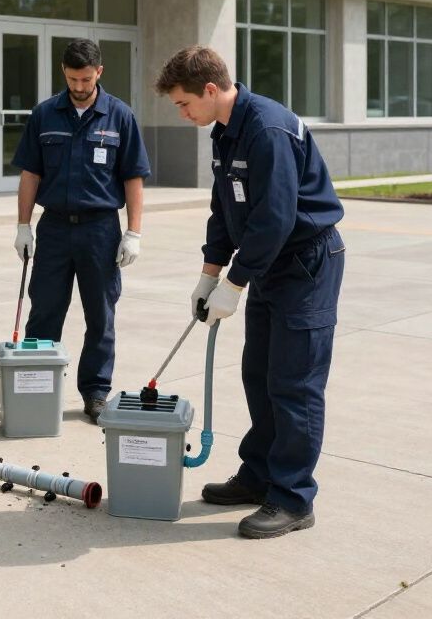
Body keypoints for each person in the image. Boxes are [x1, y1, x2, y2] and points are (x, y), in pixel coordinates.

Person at [155, 45, 344, 539]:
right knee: (259, 374)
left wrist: (235, 282)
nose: (181, 113)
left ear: (211, 90)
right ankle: (259, 475)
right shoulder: (224, 131)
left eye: (183, 104)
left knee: (294, 383)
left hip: (304, 265)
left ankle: (293, 498)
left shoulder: (266, 129)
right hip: (266, 265)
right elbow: (226, 208)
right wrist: (209, 273)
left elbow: (276, 218)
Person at [12, 38, 150, 423]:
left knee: (100, 316)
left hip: (100, 231)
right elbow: (30, 173)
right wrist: (23, 225)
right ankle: (37, 390)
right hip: (54, 228)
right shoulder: (45, 114)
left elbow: (133, 178)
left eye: (86, 79)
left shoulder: (119, 116)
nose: (79, 86)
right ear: (63, 72)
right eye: (73, 78)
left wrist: (133, 232)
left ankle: (95, 392)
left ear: (99, 73)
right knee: (44, 313)